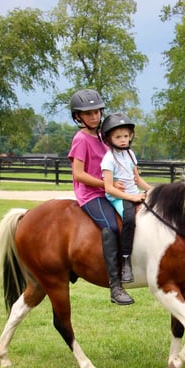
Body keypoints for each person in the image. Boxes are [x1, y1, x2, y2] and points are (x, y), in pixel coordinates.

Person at [67, 89, 133, 305]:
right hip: (90, 194)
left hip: (111, 190)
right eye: (88, 114)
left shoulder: (104, 136)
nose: (94, 117)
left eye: (97, 112)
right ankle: (115, 287)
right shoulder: (81, 139)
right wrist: (108, 183)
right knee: (111, 228)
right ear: (78, 116)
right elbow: (78, 174)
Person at [100, 112, 152, 283]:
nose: (123, 140)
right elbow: (108, 188)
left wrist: (151, 189)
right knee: (129, 218)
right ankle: (125, 260)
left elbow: (137, 179)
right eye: (118, 137)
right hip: (118, 197)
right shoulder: (108, 159)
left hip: (134, 193)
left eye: (126, 136)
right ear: (109, 138)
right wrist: (131, 196)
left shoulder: (130, 154)